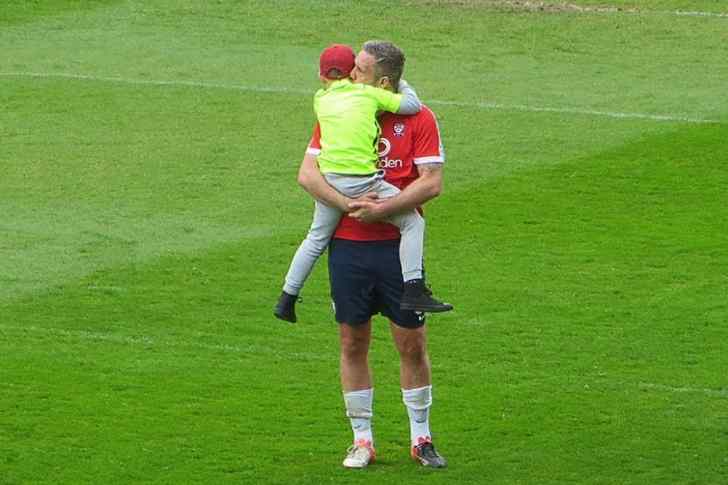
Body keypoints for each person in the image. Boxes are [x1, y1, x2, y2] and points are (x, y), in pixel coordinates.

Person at [297, 40, 448, 469]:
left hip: (396, 250)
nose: (349, 74)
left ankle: (422, 438)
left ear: (383, 80)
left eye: (359, 69)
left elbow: (431, 182)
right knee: (351, 341)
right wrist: (347, 206)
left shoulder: (418, 118)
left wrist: (381, 210)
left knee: (411, 342)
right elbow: (307, 174)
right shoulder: (338, 107)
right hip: (348, 248)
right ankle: (362, 440)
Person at [274, 44, 452, 323]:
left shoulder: (323, 100)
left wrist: (342, 203)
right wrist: (402, 84)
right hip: (362, 185)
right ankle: (414, 289)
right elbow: (411, 104)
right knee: (413, 222)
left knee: (315, 238)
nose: (355, 74)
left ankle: (287, 297)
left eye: (361, 69)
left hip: (332, 181)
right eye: (353, 67)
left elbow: (432, 182)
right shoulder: (366, 95)